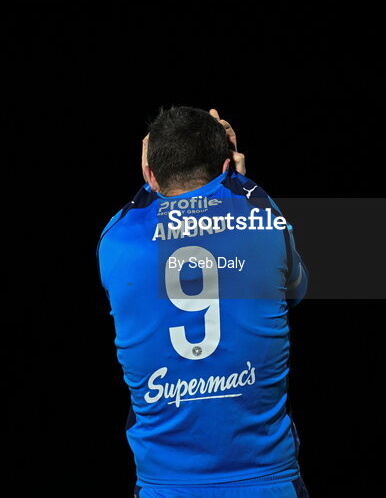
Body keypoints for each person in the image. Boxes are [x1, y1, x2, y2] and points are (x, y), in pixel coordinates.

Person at [98, 107, 309, 498]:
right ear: (227, 165)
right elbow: (296, 291)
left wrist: (151, 169)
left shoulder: (115, 241)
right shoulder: (264, 218)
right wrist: (243, 186)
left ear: (148, 173)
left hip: (166, 486)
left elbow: (143, 210)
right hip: (267, 481)